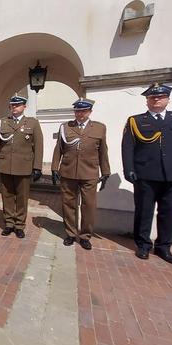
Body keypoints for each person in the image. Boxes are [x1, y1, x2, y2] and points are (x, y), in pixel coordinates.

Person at [121, 83, 172, 265]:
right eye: (152, 97)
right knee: (144, 211)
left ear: (167, 99)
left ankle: (164, 247)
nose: (156, 99)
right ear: (147, 101)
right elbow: (128, 148)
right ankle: (143, 245)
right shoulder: (136, 121)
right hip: (145, 175)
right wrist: (129, 169)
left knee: (170, 212)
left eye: (160, 97)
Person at [51, 98, 110, 250]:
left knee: (88, 206)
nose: (80, 114)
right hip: (68, 171)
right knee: (68, 204)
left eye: (83, 111)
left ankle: (85, 236)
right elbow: (59, 149)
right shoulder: (65, 127)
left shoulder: (99, 128)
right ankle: (70, 233)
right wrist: (54, 168)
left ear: (90, 111)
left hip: (89, 172)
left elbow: (103, 151)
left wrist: (105, 171)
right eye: (77, 111)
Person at [0, 95, 43, 239]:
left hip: (24, 166)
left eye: (18, 105)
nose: (14, 108)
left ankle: (19, 225)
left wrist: (37, 167)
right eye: (12, 105)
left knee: (22, 197)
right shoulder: (3, 122)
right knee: (7, 196)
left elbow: (39, 146)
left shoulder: (32, 123)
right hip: (5, 165)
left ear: (24, 106)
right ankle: (9, 223)